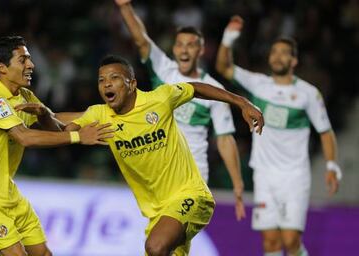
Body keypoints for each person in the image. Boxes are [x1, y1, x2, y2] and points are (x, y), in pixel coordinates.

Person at [65, 55, 264, 256]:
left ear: (132, 84)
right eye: (101, 80)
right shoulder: (100, 114)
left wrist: (242, 102)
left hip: (192, 196)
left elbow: (195, 88)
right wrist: (44, 116)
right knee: (157, 248)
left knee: (155, 246)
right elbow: (65, 130)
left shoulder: (159, 99)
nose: (107, 83)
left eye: (114, 77)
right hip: (159, 216)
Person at [0, 36, 114, 256]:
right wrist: (78, 137)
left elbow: (57, 124)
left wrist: (101, 114)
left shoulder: (23, 95)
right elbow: (24, 137)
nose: (31, 65)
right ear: (2, 68)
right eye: (23, 60)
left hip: (7, 192)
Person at [216, 16, 341, 256]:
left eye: (284, 53)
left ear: (294, 60)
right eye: (274, 52)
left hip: (294, 177)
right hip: (264, 175)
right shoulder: (258, 84)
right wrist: (228, 38)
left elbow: (325, 132)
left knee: (291, 242)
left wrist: (332, 165)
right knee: (270, 243)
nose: (277, 56)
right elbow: (223, 67)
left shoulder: (307, 94)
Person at [114, 0, 246, 220]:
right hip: (159, 173)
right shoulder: (164, 70)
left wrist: (238, 185)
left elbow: (224, 139)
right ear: (174, 48)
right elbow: (141, 40)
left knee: (168, 242)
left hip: (192, 175)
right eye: (180, 44)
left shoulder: (214, 90)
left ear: (201, 50)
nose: (184, 49)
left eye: (191, 44)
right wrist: (125, 7)